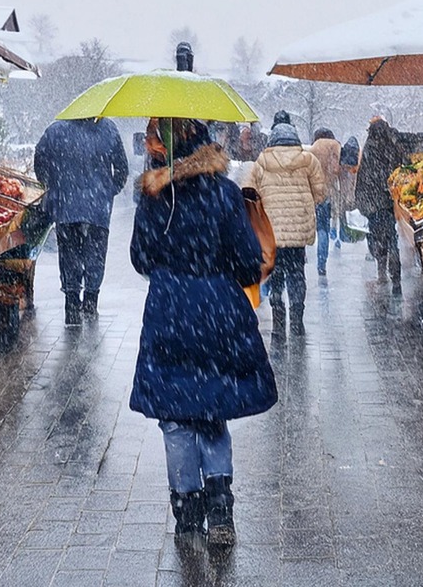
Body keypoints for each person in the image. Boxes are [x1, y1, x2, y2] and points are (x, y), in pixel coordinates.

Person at [130, 118, 277, 546]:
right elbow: (247, 260)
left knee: (176, 417)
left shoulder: (154, 196)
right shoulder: (225, 193)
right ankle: (220, 509)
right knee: (212, 410)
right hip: (218, 312)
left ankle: (187, 513)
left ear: (165, 147)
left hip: (170, 312)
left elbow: (140, 258)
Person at [33, 118, 129, 325]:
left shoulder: (55, 130)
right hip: (97, 209)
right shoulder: (108, 129)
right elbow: (122, 169)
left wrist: (51, 184)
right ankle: (91, 301)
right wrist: (108, 191)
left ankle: (72, 303)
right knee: (96, 255)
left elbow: (39, 160)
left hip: (65, 206)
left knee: (69, 255)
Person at [245, 122, 325, 338]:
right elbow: (320, 193)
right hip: (298, 231)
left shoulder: (262, 162)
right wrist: (305, 203)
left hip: (273, 232)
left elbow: (248, 193)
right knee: (297, 274)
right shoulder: (308, 160)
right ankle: (297, 318)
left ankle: (278, 315)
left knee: (276, 274)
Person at [355, 118, 406, 291]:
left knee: (378, 238)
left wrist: (361, 202)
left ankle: (382, 271)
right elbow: (398, 170)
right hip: (388, 201)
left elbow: (363, 177)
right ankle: (396, 277)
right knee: (392, 239)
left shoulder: (369, 149)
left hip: (373, 204)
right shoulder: (391, 147)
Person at [309, 128, 342, 276]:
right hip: (328, 192)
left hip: (314, 192)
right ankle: (322, 262)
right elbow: (337, 170)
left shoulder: (313, 148)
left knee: (315, 227)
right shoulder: (335, 146)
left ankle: (305, 256)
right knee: (324, 229)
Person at [338, 135, 360, 242]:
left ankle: (343, 235)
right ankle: (353, 236)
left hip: (343, 190)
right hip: (353, 190)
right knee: (353, 213)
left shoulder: (343, 154)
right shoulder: (357, 156)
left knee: (343, 213)